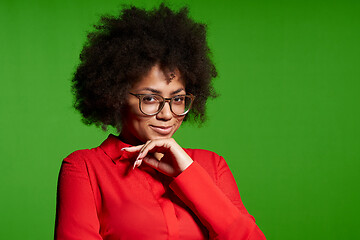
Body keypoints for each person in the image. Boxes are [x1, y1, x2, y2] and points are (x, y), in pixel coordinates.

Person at [55, 3, 266, 240]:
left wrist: (188, 173)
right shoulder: (84, 168)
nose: (167, 114)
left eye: (177, 99)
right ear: (115, 97)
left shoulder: (212, 166)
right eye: (150, 98)